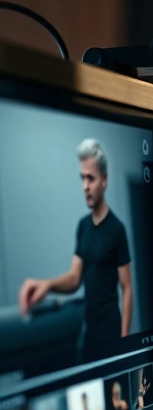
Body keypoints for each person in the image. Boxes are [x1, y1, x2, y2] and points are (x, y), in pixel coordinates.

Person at [19, 139, 134, 353]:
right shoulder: (83, 226)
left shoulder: (117, 229)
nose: (85, 186)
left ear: (104, 180)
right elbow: (74, 278)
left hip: (112, 333)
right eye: (82, 179)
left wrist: (124, 338)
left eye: (90, 178)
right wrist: (47, 285)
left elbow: (126, 288)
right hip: (89, 333)